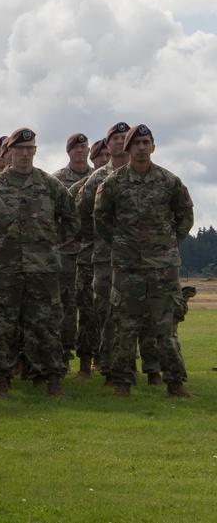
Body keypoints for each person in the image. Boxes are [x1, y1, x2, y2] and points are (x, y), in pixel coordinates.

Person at [0, 128, 79, 399]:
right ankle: (1, 382)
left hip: (43, 269)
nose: (25, 154)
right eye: (19, 150)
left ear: (36, 152)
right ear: (9, 153)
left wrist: (50, 242)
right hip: (3, 270)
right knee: (2, 327)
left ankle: (50, 380)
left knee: (46, 326)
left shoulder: (50, 185)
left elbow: (72, 220)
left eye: (30, 149)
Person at [94, 124, 194, 398]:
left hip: (163, 267)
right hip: (127, 267)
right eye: (135, 143)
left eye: (145, 142)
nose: (141, 147)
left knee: (166, 326)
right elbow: (101, 219)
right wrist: (120, 245)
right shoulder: (113, 184)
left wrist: (170, 243)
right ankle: (122, 384)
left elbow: (185, 215)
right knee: (125, 325)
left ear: (153, 146)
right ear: (127, 148)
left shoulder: (169, 181)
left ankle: (175, 384)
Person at [72, 122, 130, 383]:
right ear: (107, 144)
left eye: (123, 137)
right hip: (104, 258)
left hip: (137, 259)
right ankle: (105, 368)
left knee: (134, 316)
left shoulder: (144, 174)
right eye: (115, 138)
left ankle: (131, 367)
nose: (120, 142)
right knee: (104, 313)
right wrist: (97, 239)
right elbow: (80, 215)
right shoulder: (97, 179)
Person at [52, 133, 92, 370]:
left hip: (90, 253)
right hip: (65, 255)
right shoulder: (56, 180)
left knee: (91, 307)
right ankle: (64, 357)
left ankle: (91, 359)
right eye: (75, 148)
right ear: (68, 152)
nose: (80, 151)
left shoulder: (98, 177)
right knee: (64, 307)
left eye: (83, 147)